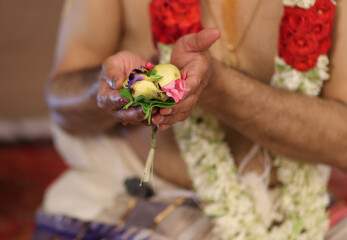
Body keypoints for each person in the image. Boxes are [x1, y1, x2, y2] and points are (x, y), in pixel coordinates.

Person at [35, 0, 347, 239]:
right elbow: (62, 103)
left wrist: (220, 87)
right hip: (139, 199)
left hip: (297, 209)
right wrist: (112, 88)